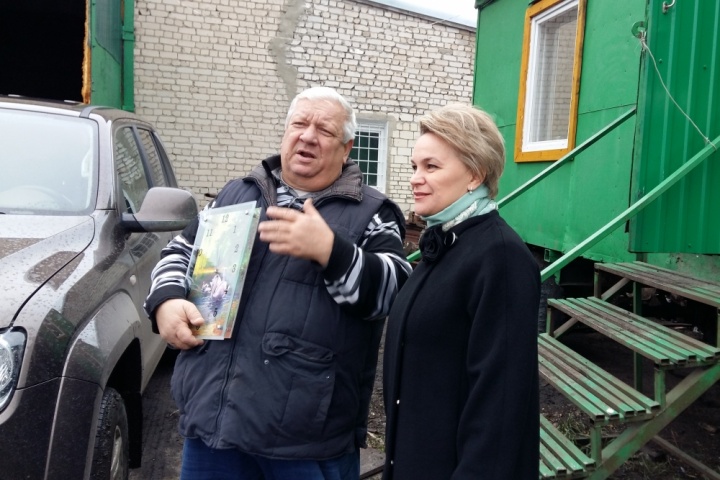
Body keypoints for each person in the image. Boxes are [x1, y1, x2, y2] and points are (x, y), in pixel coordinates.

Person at [144, 86, 412, 480]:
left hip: (305, 442)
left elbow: (392, 292)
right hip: (214, 424)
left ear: (346, 149)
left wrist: (332, 251)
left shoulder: (373, 213)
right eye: (299, 124)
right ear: (285, 132)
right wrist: (166, 300)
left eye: (324, 130)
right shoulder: (237, 194)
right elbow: (181, 251)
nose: (308, 136)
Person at [382, 104, 540, 479]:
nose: (415, 179)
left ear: (475, 174)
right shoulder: (445, 245)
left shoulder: (500, 258)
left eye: (431, 167)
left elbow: (501, 405)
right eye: (414, 166)